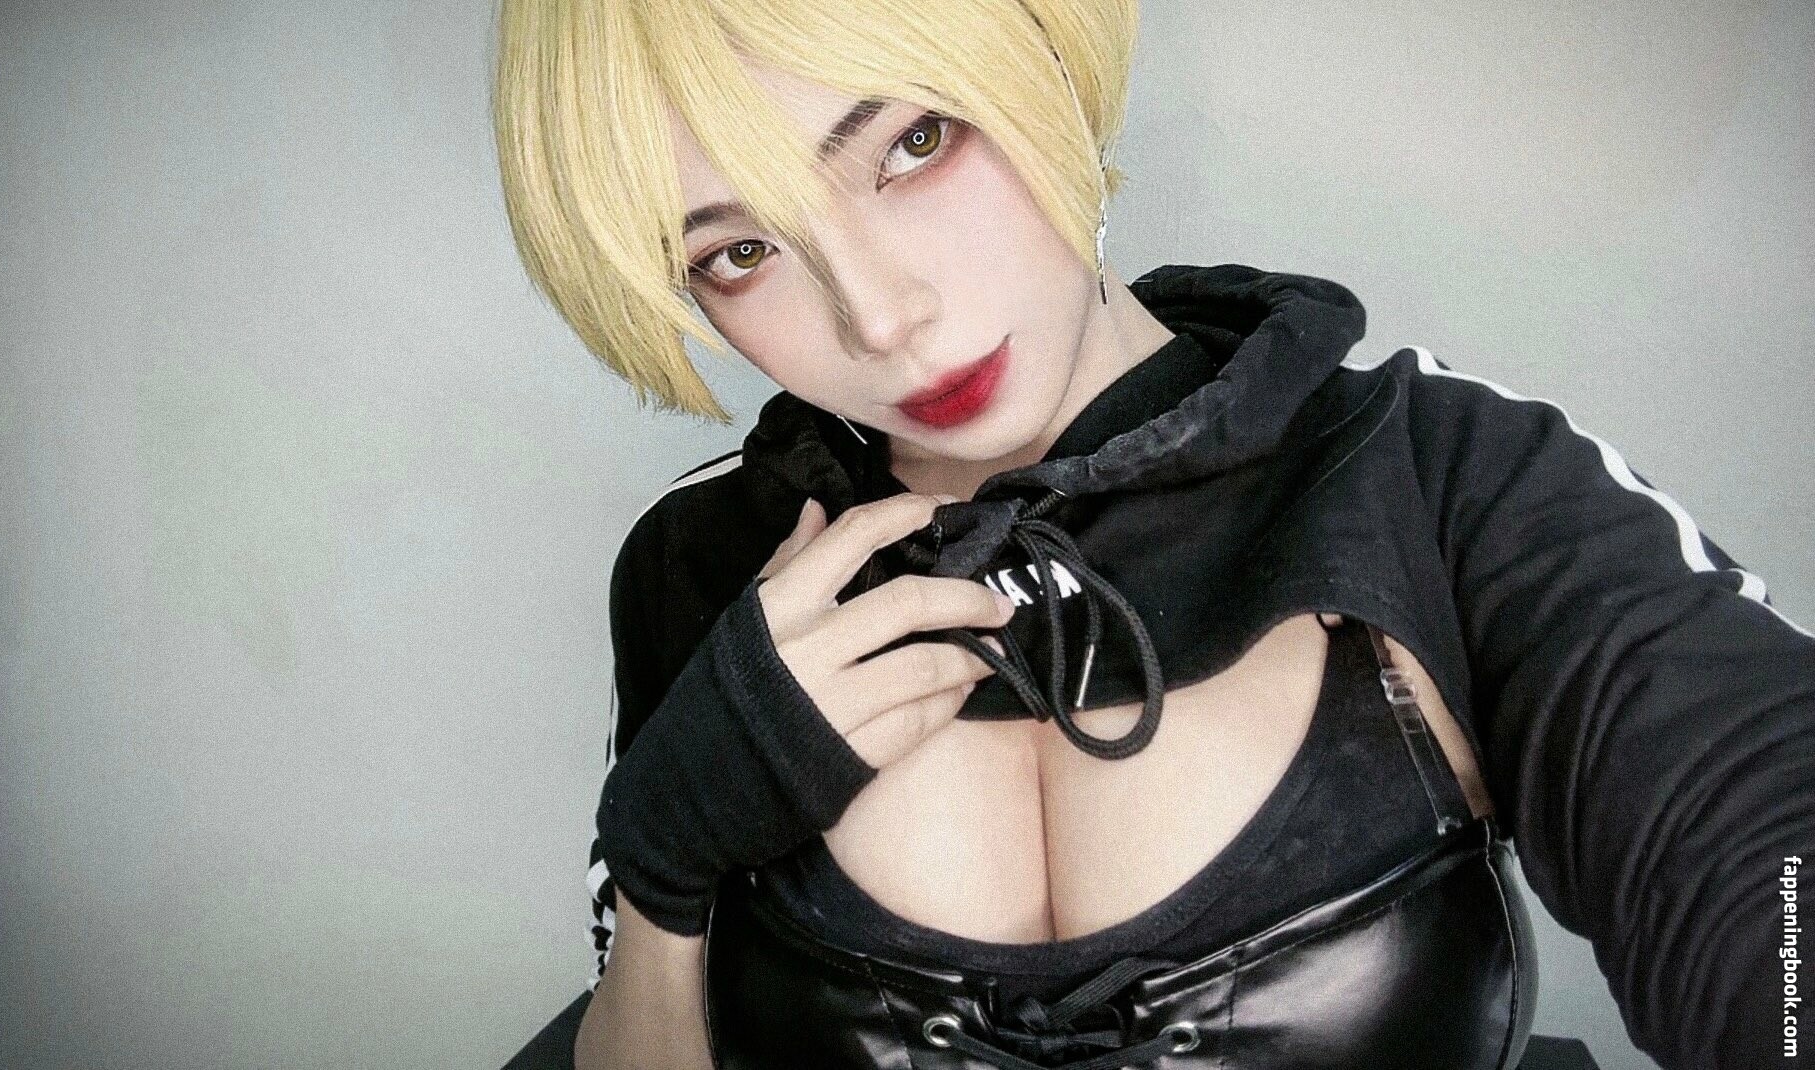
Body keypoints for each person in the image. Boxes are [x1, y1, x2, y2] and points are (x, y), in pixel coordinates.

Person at [490, 2, 1813, 1068]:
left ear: (1044, 61)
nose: (880, 318)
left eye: (914, 142)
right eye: (737, 254)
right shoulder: (704, 561)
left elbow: (1766, 870)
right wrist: (662, 866)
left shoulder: (1433, 475)